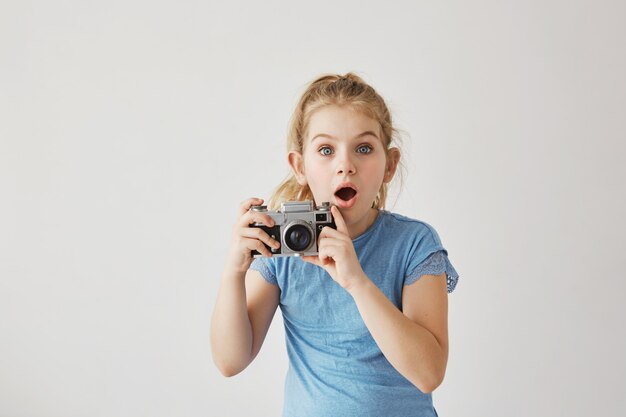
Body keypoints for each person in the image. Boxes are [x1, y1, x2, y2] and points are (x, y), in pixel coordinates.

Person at [210, 73, 459, 417]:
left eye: (364, 148)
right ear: (300, 166)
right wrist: (232, 273)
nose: (346, 166)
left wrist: (356, 281)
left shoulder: (413, 243)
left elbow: (429, 374)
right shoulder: (283, 250)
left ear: (390, 166)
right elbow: (230, 361)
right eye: (326, 150)